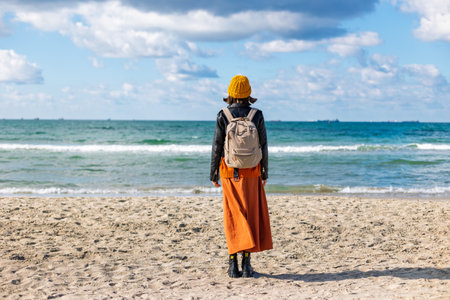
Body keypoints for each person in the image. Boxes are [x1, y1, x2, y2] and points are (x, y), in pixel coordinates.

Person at [210, 75, 273, 278]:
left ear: (230, 92)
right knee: (249, 215)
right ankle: (246, 264)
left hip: (229, 171)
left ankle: (232, 265)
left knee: (232, 215)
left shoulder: (223, 114)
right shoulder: (257, 114)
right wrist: (265, 172)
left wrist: (213, 173)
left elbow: (217, 147)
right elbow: (263, 145)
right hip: (252, 170)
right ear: (248, 92)